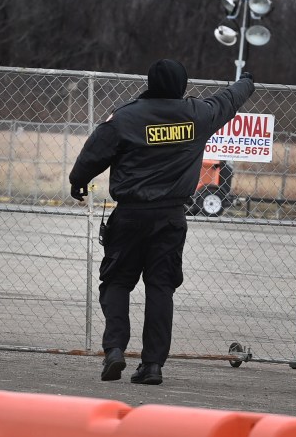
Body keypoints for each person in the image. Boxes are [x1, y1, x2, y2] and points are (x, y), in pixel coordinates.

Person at [69, 60, 255, 385]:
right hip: (170, 217)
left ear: (150, 82)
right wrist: (247, 82)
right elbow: (229, 99)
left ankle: (114, 349)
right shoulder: (197, 115)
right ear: (182, 85)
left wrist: (78, 180)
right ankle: (152, 366)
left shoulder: (125, 117)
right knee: (160, 288)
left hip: (129, 215)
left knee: (116, 282)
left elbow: (94, 152)